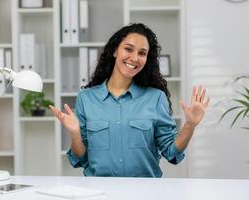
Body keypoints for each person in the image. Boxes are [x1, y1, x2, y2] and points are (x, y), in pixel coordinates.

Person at [50, 23, 210, 177]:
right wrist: (75, 133)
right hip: (101, 191)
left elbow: (171, 152)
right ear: (115, 51)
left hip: (146, 192)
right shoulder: (86, 98)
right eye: (128, 49)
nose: (134, 58)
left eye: (142, 53)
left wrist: (190, 126)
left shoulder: (155, 98)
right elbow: (81, 158)